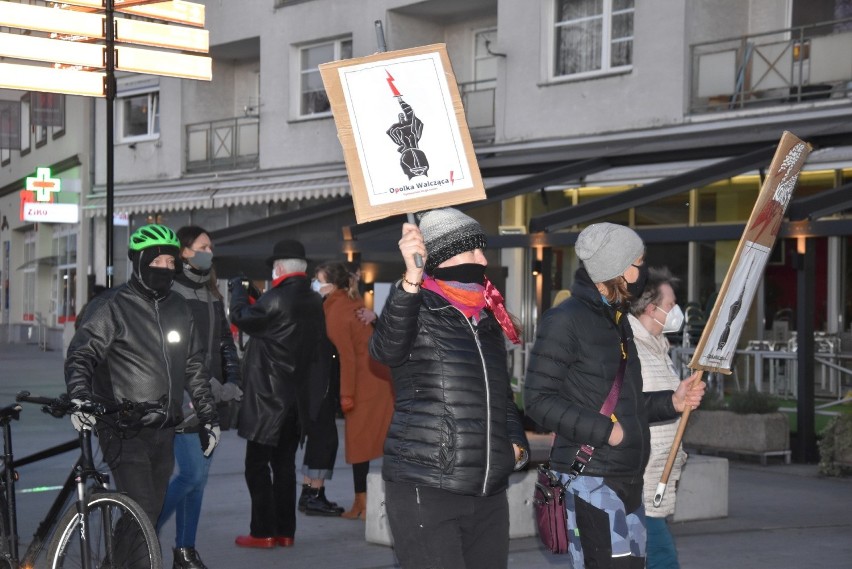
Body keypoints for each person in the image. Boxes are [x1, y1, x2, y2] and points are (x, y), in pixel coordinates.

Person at [524, 222, 705, 569]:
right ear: (617, 270)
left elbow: (630, 403)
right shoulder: (565, 320)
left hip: (628, 478)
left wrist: (673, 401)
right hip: (592, 478)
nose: (643, 271)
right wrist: (606, 431)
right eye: (638, 263)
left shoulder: (617, 321)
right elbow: (538, 400)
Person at [369, 207, 530, 569]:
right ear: (442, 256)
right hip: (428, 485)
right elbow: (385, 349)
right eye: (473, 250)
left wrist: (515, 448)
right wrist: (411, 278)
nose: (483, 260)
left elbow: (500, 396)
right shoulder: (416, 306)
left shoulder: (486, 319)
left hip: (488, 488)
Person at [65, 224, 219, 527]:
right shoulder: (112, 306)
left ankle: (118, 562)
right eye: (156, 261)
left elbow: (193, 364)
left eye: (170, 262)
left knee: (149, 512)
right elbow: (82, 355)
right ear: (138, 262)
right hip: (123, 426)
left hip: (164, 428)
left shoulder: (178, 306)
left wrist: (208, 415)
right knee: (143, 509)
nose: (164, 268)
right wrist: (80, 398)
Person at [229, 239, 327, 549]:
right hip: (296, 402)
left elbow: (241, 317)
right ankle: (285, 531)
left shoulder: (274, 299)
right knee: (284, 467)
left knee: (256, 466)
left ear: (279, 268)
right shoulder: (312, 301)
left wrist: (237, 288)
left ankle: (262, 532)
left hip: (268, 401)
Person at [157, 226, 243, 569]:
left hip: (212, 397)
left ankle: (185, 550)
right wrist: (206, 385)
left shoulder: (211, 294)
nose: (210, 251)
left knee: (200, 478)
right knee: (191, 475)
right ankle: (138, 532)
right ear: (185, 252)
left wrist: (232, 378)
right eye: (204, 246)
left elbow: (225, 342)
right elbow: (174, 351)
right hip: (183, 397)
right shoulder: (170, 293)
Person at [315, 261, 394, 520]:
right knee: (367, 442)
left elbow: (346, 357)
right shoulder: (350, 303)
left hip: (365, 383)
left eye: (319, 280)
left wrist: (346, 394)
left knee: (360, 442)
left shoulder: (337, 310)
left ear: (332, 284)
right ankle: (363, 501)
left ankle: (363, 503)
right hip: (375, 380)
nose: (316, 285)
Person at [628, 267, 692, 569]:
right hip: (640, 482)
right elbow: (633, 408)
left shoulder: (658, 348)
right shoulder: (632, 349)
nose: (675, 312)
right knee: (662, 559)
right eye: (670, 305)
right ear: (650, 308)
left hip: (657, 480)